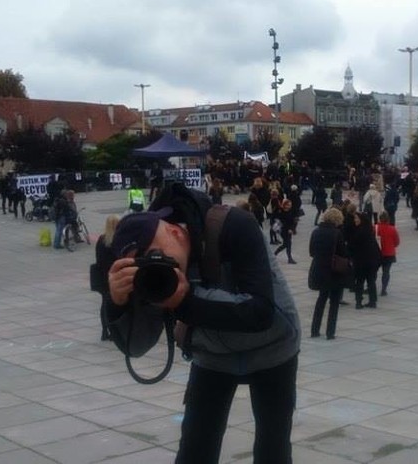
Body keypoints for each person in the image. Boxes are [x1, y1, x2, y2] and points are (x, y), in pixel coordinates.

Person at [107, 183, 300, 464]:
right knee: (195, 447)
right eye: (144, 262)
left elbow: (260, 312)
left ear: (174, 230)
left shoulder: (235, 224)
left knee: (273, 446)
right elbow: (135, 348)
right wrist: (118, 303)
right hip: (212, 356)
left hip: (273, 348)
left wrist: (185, 301)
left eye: (155, 253)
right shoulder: (151, 273)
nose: (157, 264)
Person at [308, 208, 349, 339]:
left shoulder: (316, 232)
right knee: (334, 302)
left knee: (321, 299)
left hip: (319, 269)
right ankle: (330, 332)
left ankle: (314, 330)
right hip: (333, 271)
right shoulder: (337, 233)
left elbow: (311, 252)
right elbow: (343, 253)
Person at [94, 215, 120, 340]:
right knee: (116, 304)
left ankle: (105, 330)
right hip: (115, 276)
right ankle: (115, 330)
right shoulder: (118, 240)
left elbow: (98, 259)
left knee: (104, 304)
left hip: (103, 277)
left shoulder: (101, 240)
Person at [349, 213, 381, 308]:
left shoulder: (358, 232)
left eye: (356, 218)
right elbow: (375, 247)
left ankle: (358, 302)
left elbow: (352, 246)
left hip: (360, 261)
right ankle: (372, 301)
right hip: (371, 261)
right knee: (371, 281)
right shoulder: (369, 231)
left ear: (361, 220)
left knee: (359, 282)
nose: (355, 220)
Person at [376, 211, 399, 296]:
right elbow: (397, 242)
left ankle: (370, 286)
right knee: (386, 272)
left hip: (377, 253)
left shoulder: (375, 228)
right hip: (389, 254)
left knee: (374, 271)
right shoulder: (392, 229)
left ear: (380, 219)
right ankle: (383, 289)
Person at [273, 199, 298, 264]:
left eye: (290, 205)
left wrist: (292, 229)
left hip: (289, 230)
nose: (289, 206)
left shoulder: (291, 211)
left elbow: (294, 222)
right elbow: (276, 219)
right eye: (288, 205)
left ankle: (275, 254)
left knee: (286, 244)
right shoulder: (280, 211)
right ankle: (289, 259)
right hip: (283, 230)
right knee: (287, 244)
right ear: (285, 205)